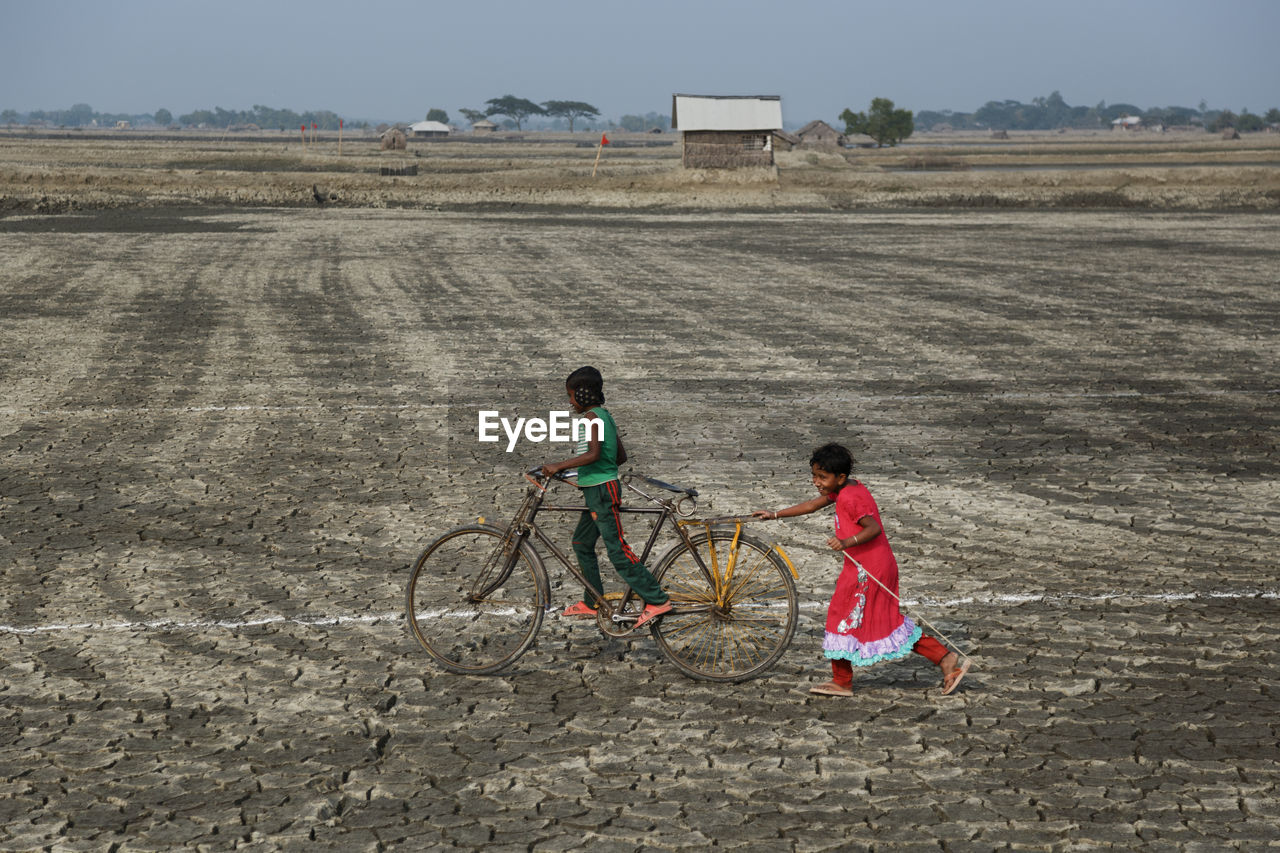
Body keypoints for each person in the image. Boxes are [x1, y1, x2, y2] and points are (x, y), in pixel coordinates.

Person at [753, 443, 969, 696]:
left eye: (822, 477)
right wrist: (775, 514)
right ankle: (941, 659)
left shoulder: (851, 496)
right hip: (864, 566)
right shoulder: (844, 489)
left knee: (848, 618)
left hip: (870, 569)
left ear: (840, 477)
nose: (817, 482)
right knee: (871, 619)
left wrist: (846, 542)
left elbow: (873, 528)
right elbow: (812, 505)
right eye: (814, 475)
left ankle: (845, 680)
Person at [541, 366, 672, 629]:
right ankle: (593, 602)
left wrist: (560, 466)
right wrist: (582, 474)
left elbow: (593, 454)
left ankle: (656, 599)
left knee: (617, 550)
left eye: (571, 396)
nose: (569, 402)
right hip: (595, 488)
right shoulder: (604, 417)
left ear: (583, 394)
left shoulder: (592, 418)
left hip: (602, 491)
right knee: (581, 542)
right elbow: (619, 456)